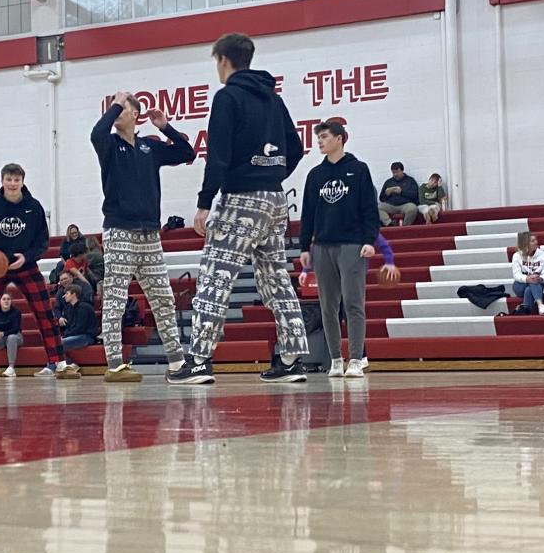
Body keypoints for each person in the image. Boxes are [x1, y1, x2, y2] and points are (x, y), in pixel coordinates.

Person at [169, 33, 310, 386]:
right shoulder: (273, 99)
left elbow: (217, 155)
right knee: (276, 279)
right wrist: (272, 171)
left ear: (222, 60)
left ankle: (199, 360)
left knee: (216, 277)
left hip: (241, 199)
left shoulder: (227, 97)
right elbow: (296, 147)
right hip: (276, 200)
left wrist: (204, 203)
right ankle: (292, 359)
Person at [91, 92, 194, 382]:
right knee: (115, 298)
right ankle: (114, 363)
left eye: (122, 109)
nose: (115, 113)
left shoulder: (150, 146)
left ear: (136, 114)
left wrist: (165, 128)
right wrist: (115, 104)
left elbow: (188, 153)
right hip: (119, 230)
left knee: (162, 297)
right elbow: (96, 131)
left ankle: (176, 362)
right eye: (113, 109)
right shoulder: (108, 144)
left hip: (150, 233)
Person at [0, 163, 81, 380]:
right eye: (9, 179)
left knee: (44, 313)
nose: (13, 184)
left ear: (22, 181)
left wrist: (27, 257)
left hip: (24, 264)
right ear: (2, 180)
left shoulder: (33, 207)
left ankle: (60, 363)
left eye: (16, 180)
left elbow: (42, 241)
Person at [298, 117, 380, 379]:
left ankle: (356, 358)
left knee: (354, 304)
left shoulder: (359, 170)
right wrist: (304, 246)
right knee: (327, 307)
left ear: (339, 138)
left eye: (324, 137)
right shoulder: (315, 175)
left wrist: (369, 240)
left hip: (352, 245)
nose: (320, 142)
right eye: (318, 138)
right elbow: (308, 213)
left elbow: (369, 209)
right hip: (322, 246)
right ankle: (335, 359)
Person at [505, 230, 544, 314]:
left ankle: (535, 308)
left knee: (530, 289)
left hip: (538, 283)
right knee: (532, 281)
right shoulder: (517, 256)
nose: (536, 242)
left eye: (536, 240)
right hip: (520, 285)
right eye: (533, 241)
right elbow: (516, 274)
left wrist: (541, 278)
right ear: (525, 243)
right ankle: (540, 305)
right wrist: (527, 279)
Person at [378, 162, 420, 227]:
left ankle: (405, 226)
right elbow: (381, 198)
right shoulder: (388, 182)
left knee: (413, 208)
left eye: (397, 172)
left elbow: (415, 195)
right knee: (378, 207)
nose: (395, 174)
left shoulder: (410, 180)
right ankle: (390, 224)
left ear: (402, 170)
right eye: (393, 172)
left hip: (405, 205)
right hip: (391, 205)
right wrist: (387, 194)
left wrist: (402, 192)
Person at [58, 284, 98, 351]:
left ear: (74, 294)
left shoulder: (85, 308)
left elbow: (80, 328)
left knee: (59, 344)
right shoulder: (68, 308)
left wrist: (65, 335)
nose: (64, 296)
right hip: (73, 335)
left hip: (86, 336)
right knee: (57, 343)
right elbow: (68, 326)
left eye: (67, 293)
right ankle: (68, 361)